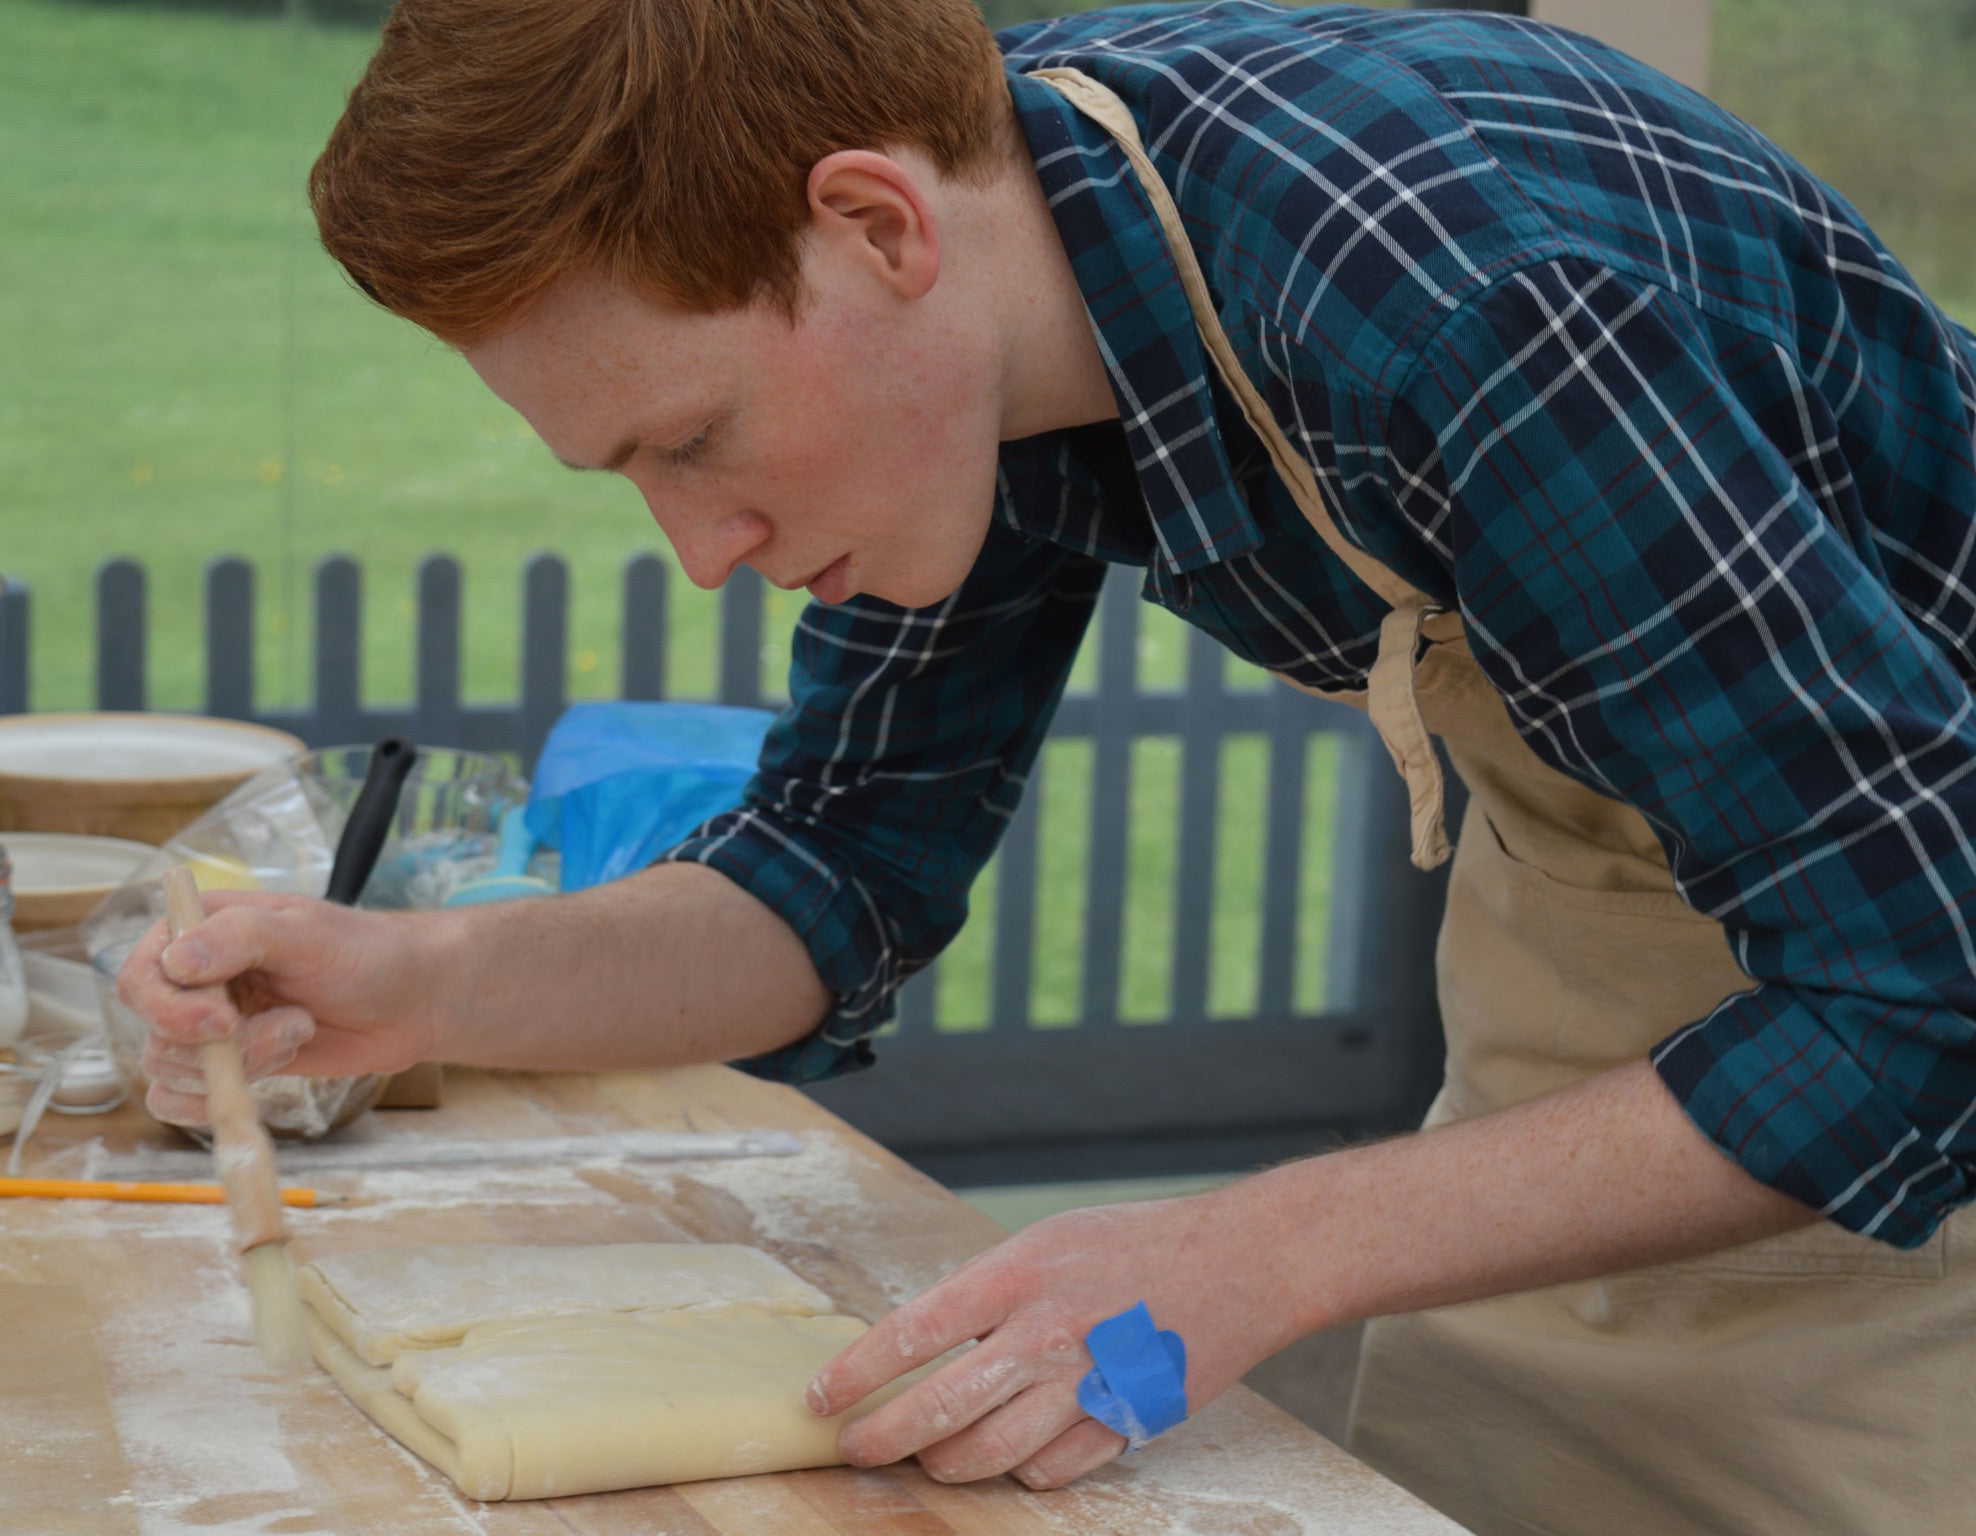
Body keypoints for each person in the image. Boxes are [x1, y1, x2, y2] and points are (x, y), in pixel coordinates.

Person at [121, 2, 1976, 1530]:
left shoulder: (1453, 298)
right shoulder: (987, 317)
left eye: (692, 437)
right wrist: (423, 986)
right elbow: (833, 873)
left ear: (877, 230)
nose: (700, 545)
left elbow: (1913, 996)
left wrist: (1262, 1247)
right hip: (1647, 1046)